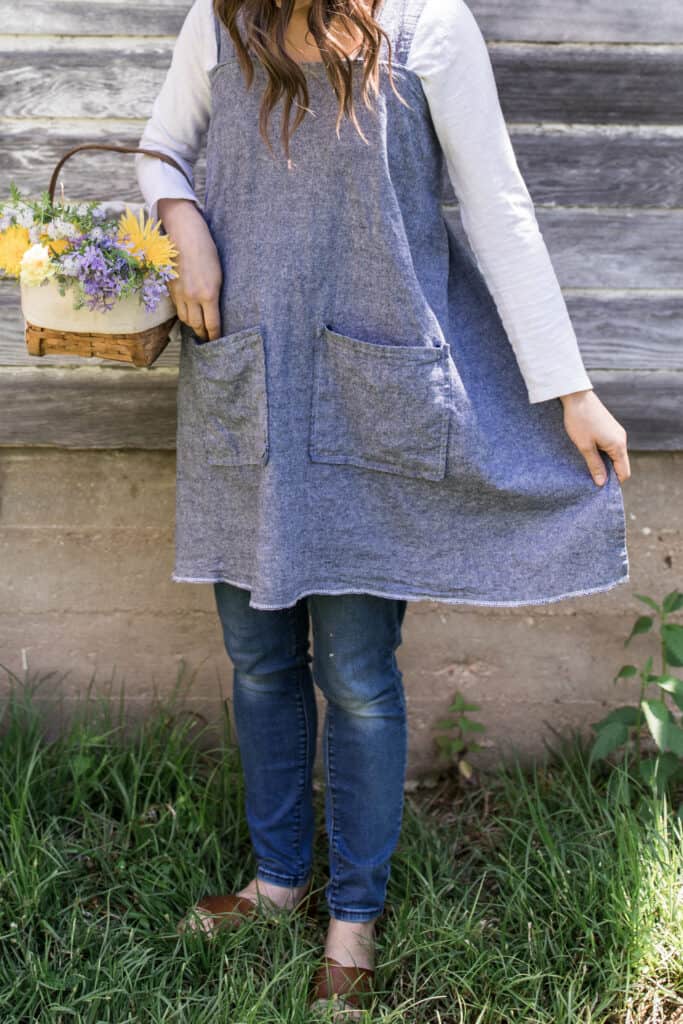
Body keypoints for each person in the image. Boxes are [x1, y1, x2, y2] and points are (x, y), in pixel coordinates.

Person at [135, 0, 631, 1013]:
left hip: (374, 395)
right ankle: (277, 883)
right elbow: (159, 151)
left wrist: (567, 387)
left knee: (356, 674)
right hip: (247, 385)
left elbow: (496, 208)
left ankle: (351, 919)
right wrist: (182, 223)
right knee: (258, 656)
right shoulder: (220, 21)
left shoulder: (428, 27)